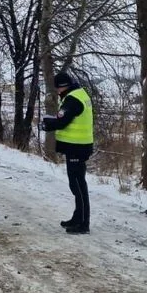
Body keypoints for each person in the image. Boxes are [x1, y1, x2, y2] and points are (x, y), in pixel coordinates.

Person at [40, 71, 94, 234]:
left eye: (57, 89)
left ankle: (83, 223)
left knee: (78, 185)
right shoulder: (77, 94)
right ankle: (78, 218)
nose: (56, 92)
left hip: (77, 148)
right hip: (78, 147)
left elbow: (62, 121)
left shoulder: (72, 99)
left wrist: (47, 124)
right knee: (76, 184)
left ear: (62, 87)